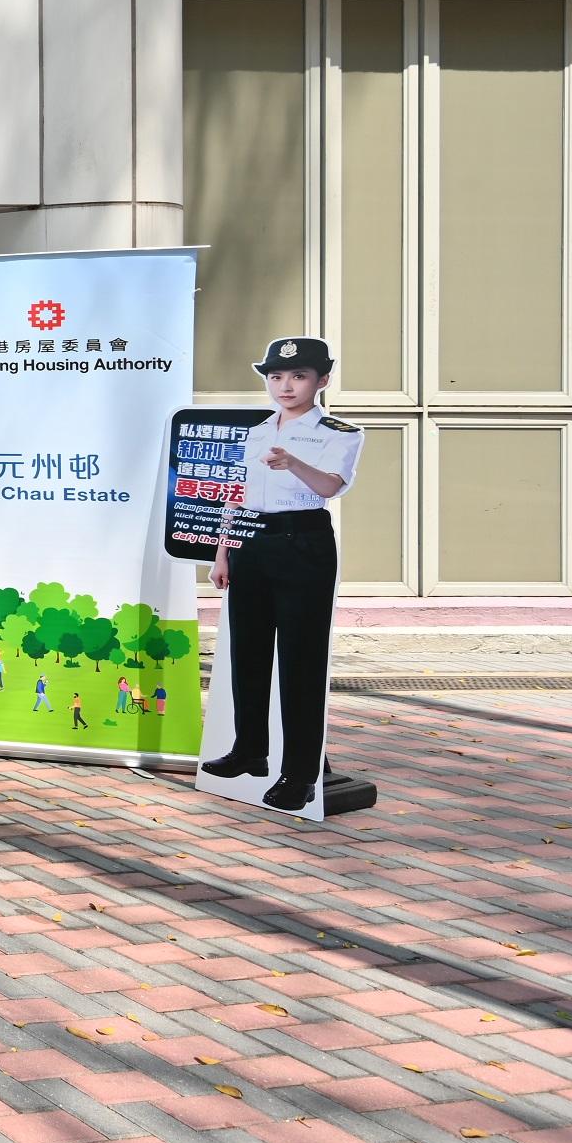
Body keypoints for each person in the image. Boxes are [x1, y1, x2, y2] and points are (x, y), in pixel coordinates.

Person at [209, 336, 362, 813]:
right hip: (251, 539)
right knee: (247, 653)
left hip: (303, 541)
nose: (285, 385)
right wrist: (221, 552)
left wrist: (293, 462)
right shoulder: (254, 431)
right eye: (276, 376)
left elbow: (331, 487)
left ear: (322, 380)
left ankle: (299, 772)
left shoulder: (339, 432)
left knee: (301, 660)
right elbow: (235, 493)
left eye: (298, 376)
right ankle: (249, 750)